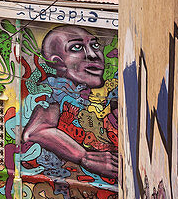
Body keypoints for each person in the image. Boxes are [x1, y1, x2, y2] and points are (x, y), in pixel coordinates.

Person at [23, 26, 118, 182]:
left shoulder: (106, 90)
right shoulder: (56, 90)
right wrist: (84, 156)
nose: (93, 55)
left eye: (94, 45)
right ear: (58, 63)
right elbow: (35, 130)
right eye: (77, 47)